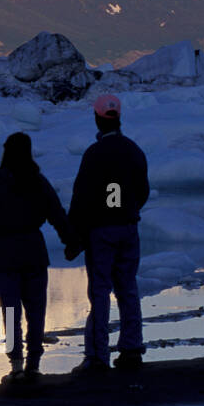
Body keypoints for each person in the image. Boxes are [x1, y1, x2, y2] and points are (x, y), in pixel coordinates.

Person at [0, 132, 70, 384]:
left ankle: (16, 366)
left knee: (11, 313)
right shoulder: (38, 181)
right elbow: (57, 214)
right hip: (34, 251)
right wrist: (71, 240)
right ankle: (34, 365)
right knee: (36, 312)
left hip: (6, 253)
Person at [65, 93, 150, 373]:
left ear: (97, 119)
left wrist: (73, 235)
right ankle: (131, 349)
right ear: (119, 118)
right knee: (127, 288)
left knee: (100, 292)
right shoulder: (134, 150)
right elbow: (142, 191)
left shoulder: (94, 154)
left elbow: (82, 198)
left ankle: (97, 357)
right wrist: (127, 209)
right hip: (127, 226)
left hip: (101, 230)